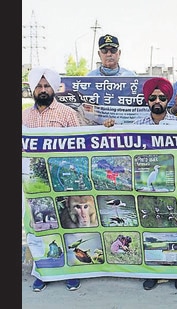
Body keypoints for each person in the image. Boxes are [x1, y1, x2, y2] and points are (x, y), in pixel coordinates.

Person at [103, 77, 177, 290]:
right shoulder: (137, 125)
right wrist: (110, 127)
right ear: (147, 101)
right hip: (145, 191)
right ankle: (153, 271)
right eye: (152, 98)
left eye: (161, 97)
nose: (157, 101)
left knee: (175, 227)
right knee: (150, 228)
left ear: (167, 100)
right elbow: (119, 139)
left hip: (175, 188)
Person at [22, 67, 82, 292]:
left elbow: (78, 146)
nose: (43, 90)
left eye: (47, 86)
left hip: (61, 181)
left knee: (66, 226)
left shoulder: (66, 113)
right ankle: (44, 272)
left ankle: (71, 271)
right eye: (39, 86)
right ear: (33, 89)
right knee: (40, 228)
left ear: (53, 88)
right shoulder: (24, 116)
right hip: (34, 183)